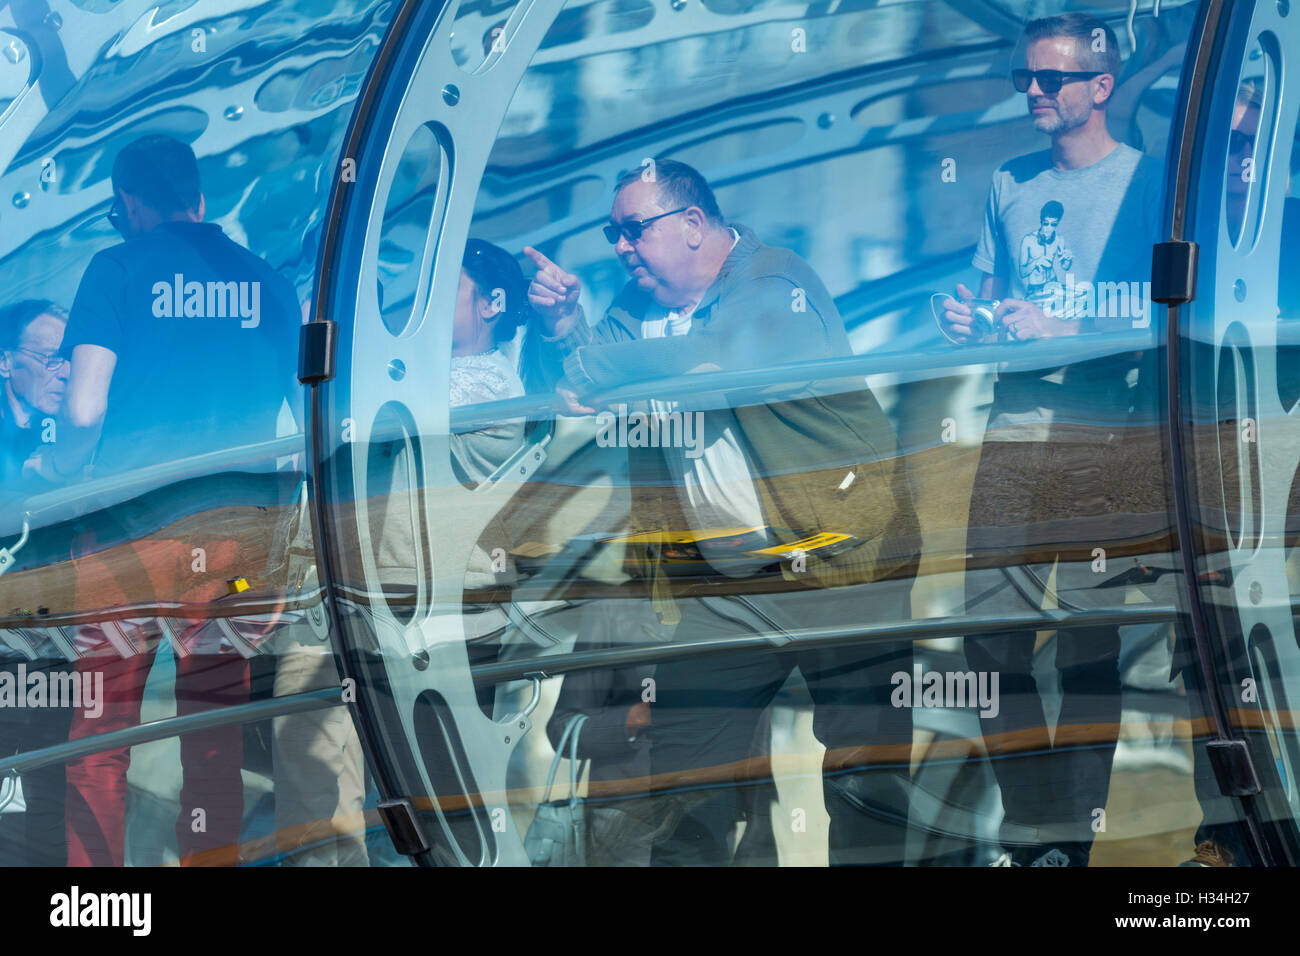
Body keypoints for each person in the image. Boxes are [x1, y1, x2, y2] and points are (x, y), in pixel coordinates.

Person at [525, 159, 920, 865]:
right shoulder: (636, 305)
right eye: (611, 232)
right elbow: (584, 368)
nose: (619, 246)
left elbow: (716, 356)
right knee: (683, 775)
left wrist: (593, 367)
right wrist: (564, 328)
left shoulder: (776, 281)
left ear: (695, 225)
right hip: (730, 583)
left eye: (632, 230)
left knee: (866, 770)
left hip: (842, 562)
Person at [940, 13, 1165, 866]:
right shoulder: (1010, 180)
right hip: (1013, 430)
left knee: (1084, 638)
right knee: (987, 635)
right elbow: (989, 291)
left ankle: (1072, 836)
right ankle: (1037, 825)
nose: (1032, 91)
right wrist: (961, 317)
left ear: (1099, 88)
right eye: (1025, 78)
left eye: (1051, 79)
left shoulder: (1147, 184)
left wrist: (1060, 324)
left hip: (1105, 437)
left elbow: (1166, 310)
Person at [43, 133, 302, 866]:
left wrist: (60, 470)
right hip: (231, 541)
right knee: (212, 735)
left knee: (103, 733)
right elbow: (312, 418)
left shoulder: (116, 268)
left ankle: (99, 899)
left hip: (129, 533)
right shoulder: (267, 281)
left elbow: (86, 410)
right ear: (200, 196)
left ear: (128, 203)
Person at [0, 299, 75, 866]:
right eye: (50, 358)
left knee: (50, 783)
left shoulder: (77, 432)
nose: (65, 371)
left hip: (55, 633)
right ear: (6, 363)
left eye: (70, 358)